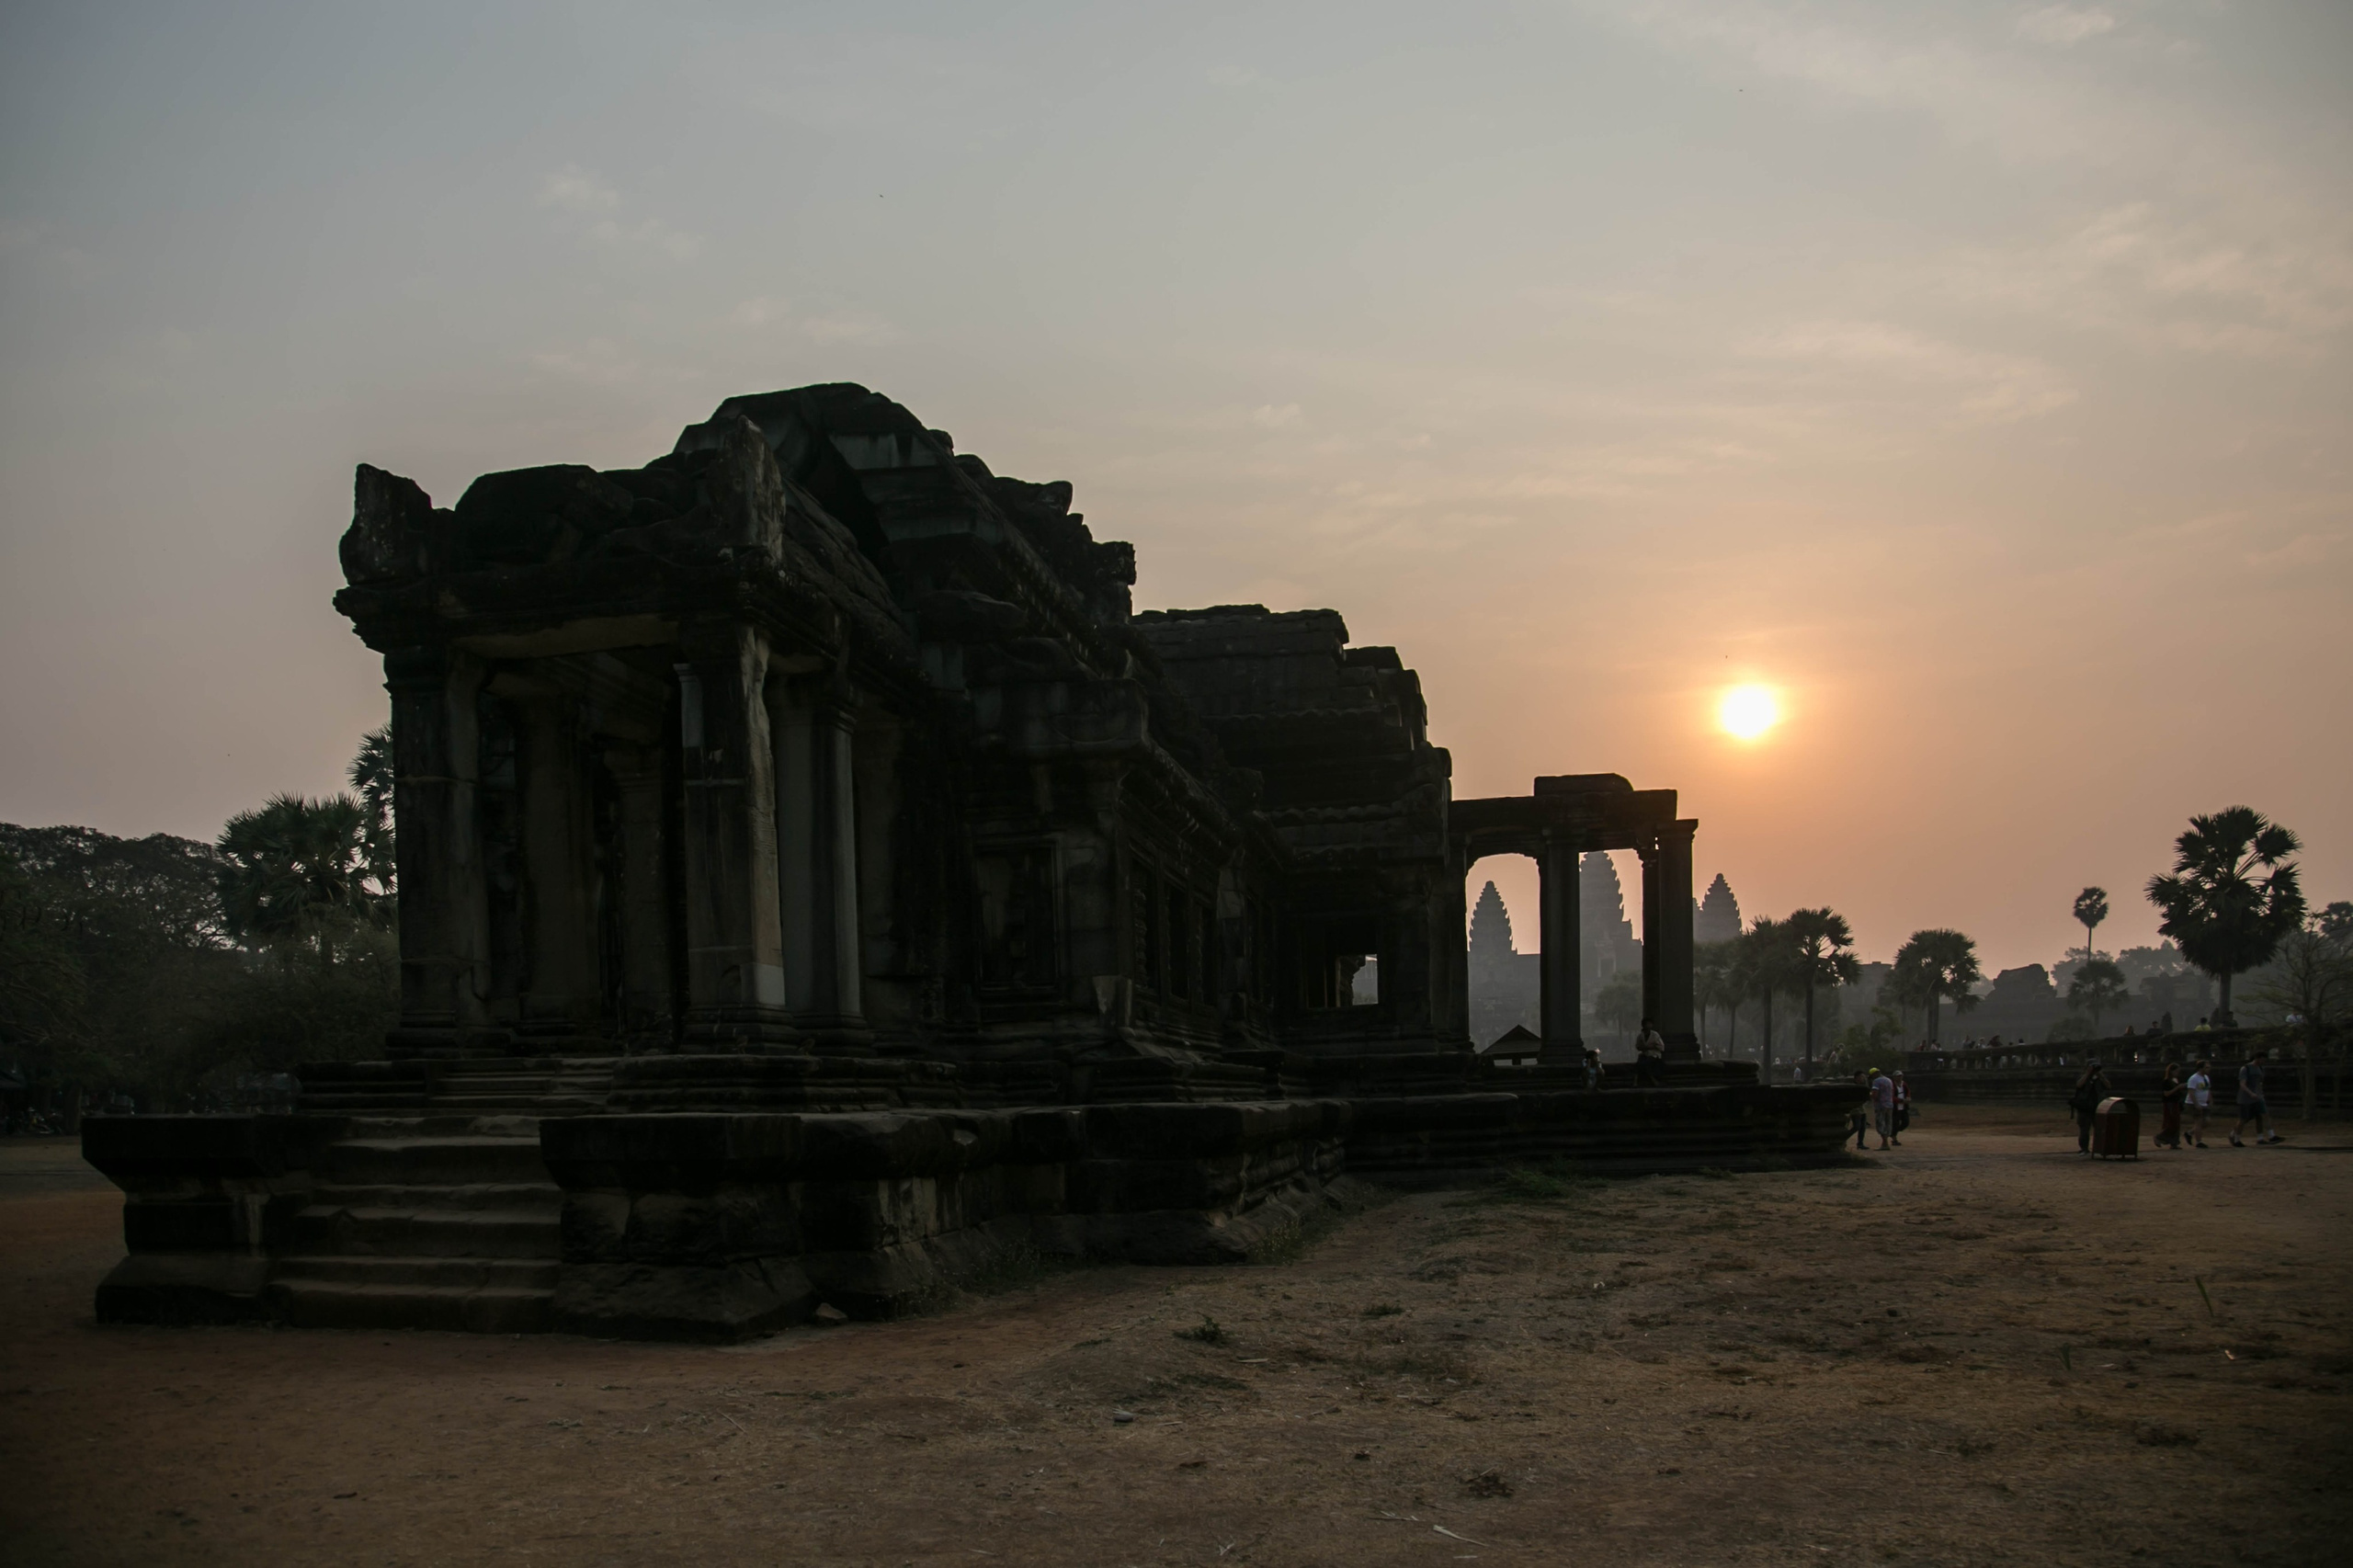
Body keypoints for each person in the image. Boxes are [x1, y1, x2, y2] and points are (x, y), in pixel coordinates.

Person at [2233, 1055, 2282, 1146]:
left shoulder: (2260, 1068)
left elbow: (2260, 1083)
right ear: (2257, 1058)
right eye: (2262, 1060)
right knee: (2243, 1119)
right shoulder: (2245, 1068)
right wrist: (2251, 1093)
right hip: (2246, 1098)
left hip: (2258, 1097)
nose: (2264, 1062)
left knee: (2263, 1115)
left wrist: (2260, 1093)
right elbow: (2242, 1084)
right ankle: (2236, 1138)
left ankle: (2270, 1136)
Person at [2068, 1059, 2110, 1155]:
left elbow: (2108, 1086)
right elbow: (2079, 1085)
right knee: (2084, 1130)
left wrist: (2101, 1076)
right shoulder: (2083, 1076)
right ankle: (2084, 1148)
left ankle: (2100, 1148)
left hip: (2099, 1106)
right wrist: (2087, 1074)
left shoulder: (2100, 1078)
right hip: (2085, 1107)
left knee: (2100, 1129)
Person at [2155, 1062, 2186, 1150]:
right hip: (2169, 1103)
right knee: (2172, 1123)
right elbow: (2166, 1094)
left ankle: (2174, 1142)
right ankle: (2159, 1137)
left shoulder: (2175, 1080)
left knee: (2176, 1122)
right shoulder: (2166, 1081)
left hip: (2175, 1103)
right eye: (2176, 1071)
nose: (2177, 1073)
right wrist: (2178, 1088)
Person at [2186, 1059, 2212, 1148]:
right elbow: (2191, 1092)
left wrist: (2209, 1099)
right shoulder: (2194, 1078)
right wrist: (2196, 1104)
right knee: (2198, 1121)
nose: (2209, 1069)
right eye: (2206, 1067)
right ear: (2200, 1068)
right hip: (2193, 1103)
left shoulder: (2206, 1078)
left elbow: (2208, 1090)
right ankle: (2199, 1141)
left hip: (2204, 1103)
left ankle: (2190, 1133)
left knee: (2207, 1122)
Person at [1634, 1017, 1666, 1087]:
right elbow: (1638, 1046)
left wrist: (1651, 1047)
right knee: (1639, 1062)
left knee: (1646, 1064)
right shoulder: (1640, 1036)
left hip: (1654, 1054)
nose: (1649, 1025)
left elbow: (1661, 1047)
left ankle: (1654, 1080)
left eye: (1650, 1024)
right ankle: (1635, 1081)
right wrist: (1644, 1048)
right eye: (1647, 1024)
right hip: (1645, 1054)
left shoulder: (1655, 1035)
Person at [1870, 1067, 1896, 1151]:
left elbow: (1875, 1094)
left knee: (1881, 1124)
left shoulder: (1876, 1081)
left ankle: (1885, 1143)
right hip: (1889, 1104)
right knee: (1888, 1123)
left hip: (1880, 1105)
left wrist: (1870, 1095)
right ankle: (1886, 1142)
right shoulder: (1889, 1080)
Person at [1848, 1071, 1872, 1151]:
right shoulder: (1854, 1088)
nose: (1863, 1078)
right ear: (1857, 1078)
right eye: (1861, 1077)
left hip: (1862, 1109)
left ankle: (1860, 1143)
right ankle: (1844, 1137)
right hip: (1856, 1110)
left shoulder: (1863, 1087)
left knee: (1862, 1127)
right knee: (1857, 1127)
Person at [1891, 1070, 1912, 1144]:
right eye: (1898, 1076)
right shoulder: (1892, 1085)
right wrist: (1901, 1100)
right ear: (1894, 1077)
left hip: (1903, 1107)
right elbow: (1891, 1097)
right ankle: (1894, 1139)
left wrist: (1908, 1097)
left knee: (1906, 1122)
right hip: (1895, 1108)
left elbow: (1908, 1091)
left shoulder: (1903, 1084)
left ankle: (1893, 1132)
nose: (1900, 1078)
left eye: (1901, 1076)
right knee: (1895, 1123)